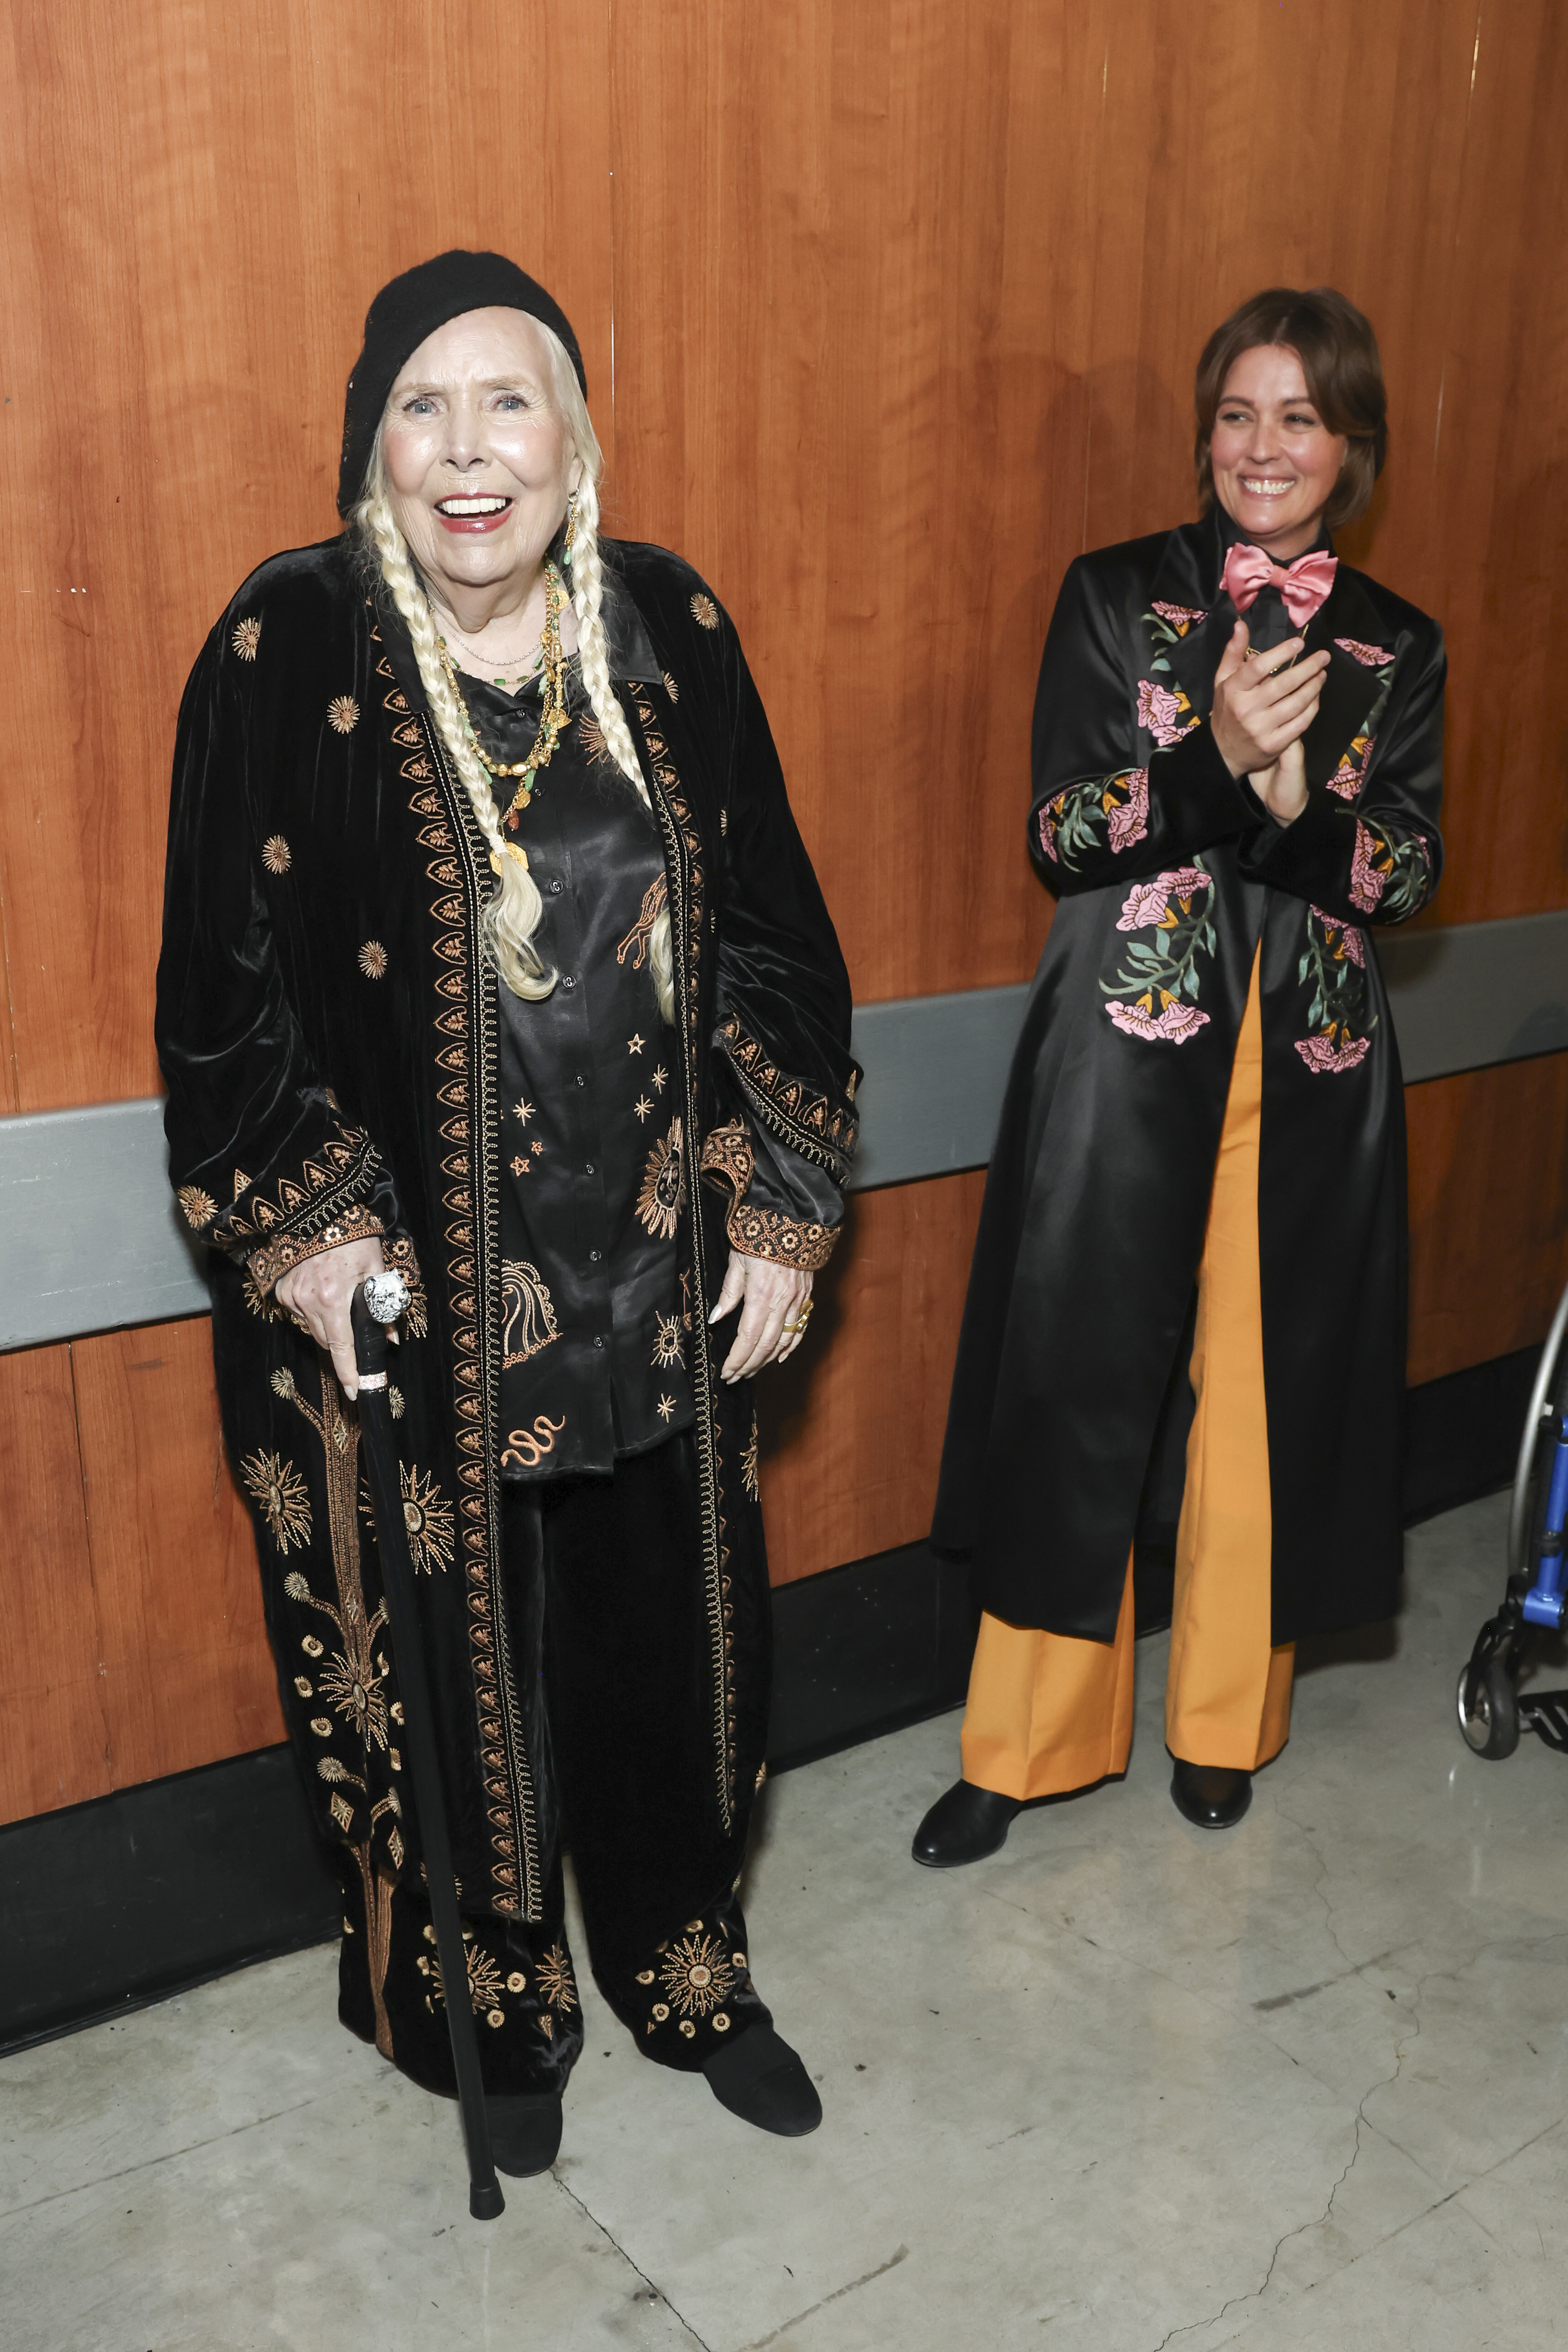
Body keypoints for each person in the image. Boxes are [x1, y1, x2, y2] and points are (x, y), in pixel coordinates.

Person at [157, 252, 858, 2171]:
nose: (471, 455)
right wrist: (308, 1227)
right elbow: (222, 995)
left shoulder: (668, 625)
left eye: (510, 403)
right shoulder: (284, 644)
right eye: (422, 410)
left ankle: (680, 1950)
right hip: (422, 1295)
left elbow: (783, 944)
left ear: (573, 438)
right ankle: (497, 1987)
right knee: (460, 1662)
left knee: (666, 1637)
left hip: (653, 1269)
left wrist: (782, 1206)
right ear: (369, 448)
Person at [915, 286, 1443, 1867]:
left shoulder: (1398, 642)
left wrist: (1294, 801)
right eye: (1237, 413)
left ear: (1350, 447)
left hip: (1316, 1066)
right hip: (1124, 1051)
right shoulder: (1111, 598)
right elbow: (1063, 833)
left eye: (1298, 417)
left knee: (1264, 1407)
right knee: (1073, 1384)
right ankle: (1020, 1750)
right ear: (1205, 432)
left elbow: (1406, 873)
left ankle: (1226, 1726)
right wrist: (1216, 761)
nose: (1262, 447)